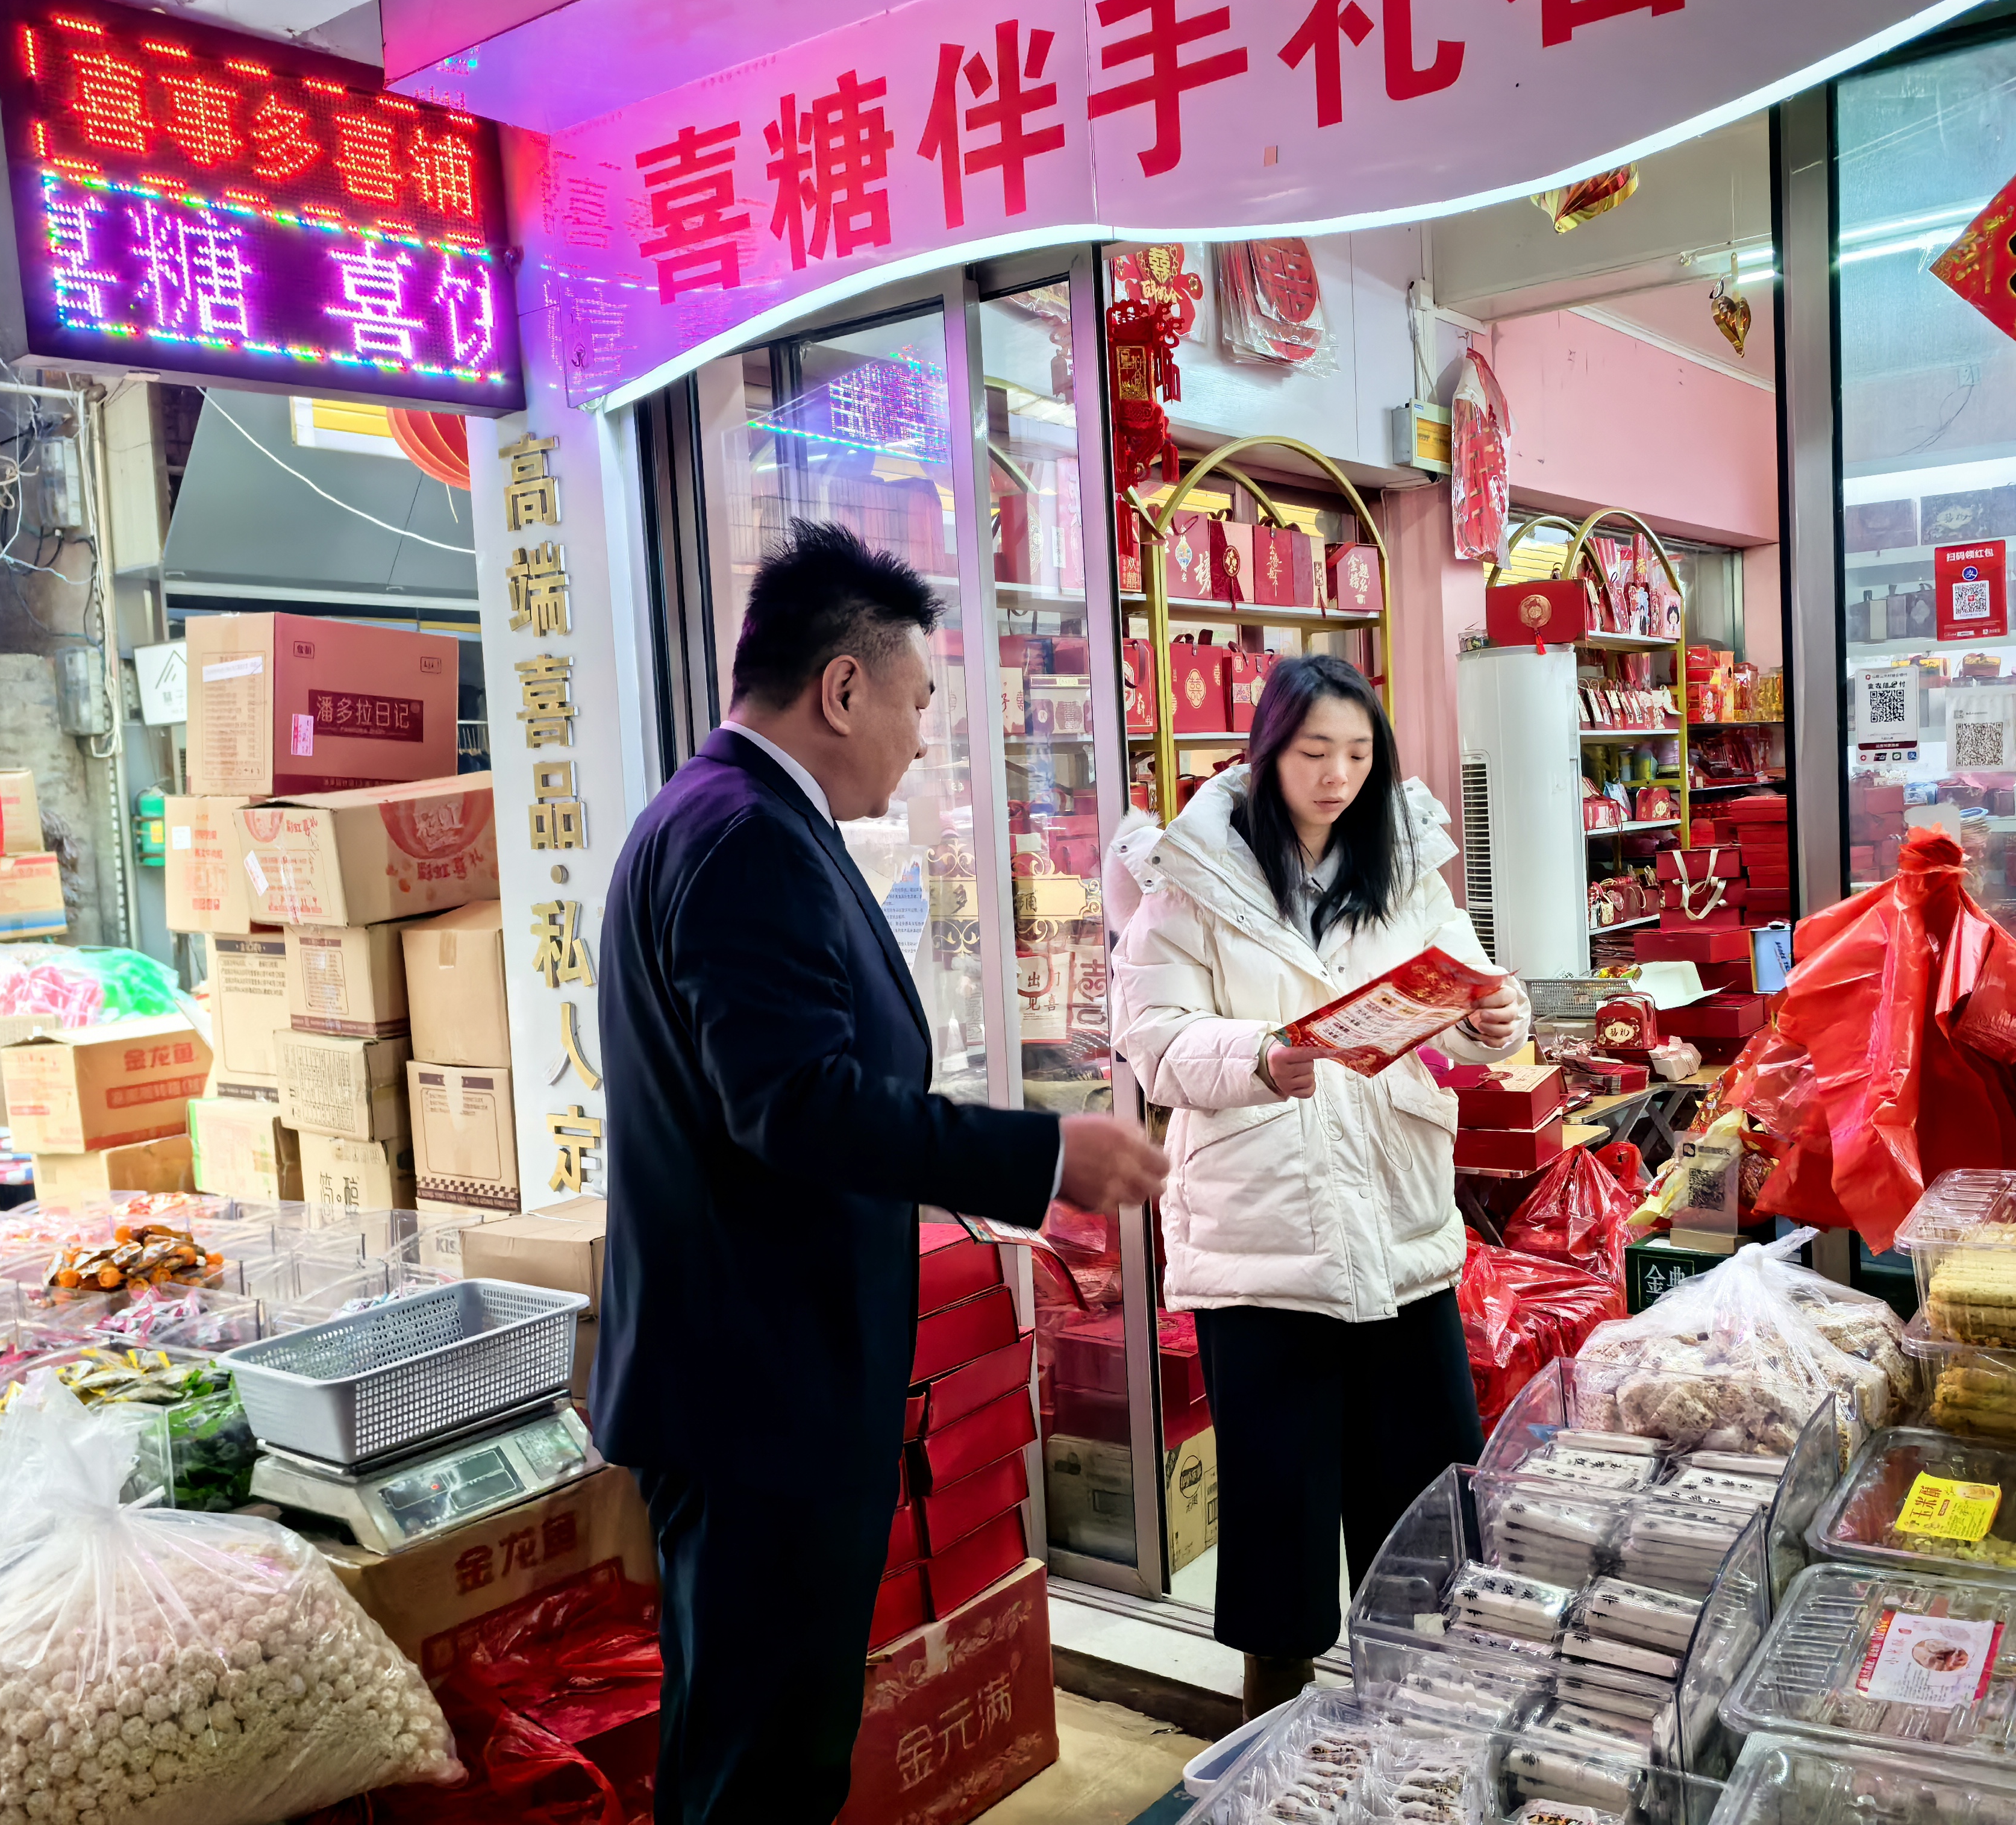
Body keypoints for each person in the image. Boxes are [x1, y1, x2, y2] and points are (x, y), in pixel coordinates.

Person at [594, 519, 1168, 1825]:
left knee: (747, 1741)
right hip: (763, 1393)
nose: (920, 741)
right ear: (842, 689)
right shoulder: (744, 838)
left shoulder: (715, 818)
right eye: (915, 704)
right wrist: (1043, 1153)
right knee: (763, 1762)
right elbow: (796, 1108)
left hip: (754, 1379)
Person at [1111, 652, 1530, 1718]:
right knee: (1280, 1515)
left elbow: (1467, 1003)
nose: (1338, 776)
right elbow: (1153, 1042)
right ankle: (1275, 1736)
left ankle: (1418, 1729)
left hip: (1397, 1228)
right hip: (1264, 1241)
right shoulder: (1191, 874)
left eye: (1357, 754)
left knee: (1426, 1504)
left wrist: (1495, 1018)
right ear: (1266, 753)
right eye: (1313, 753)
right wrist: (1260, 1055)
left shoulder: (1403, 857)